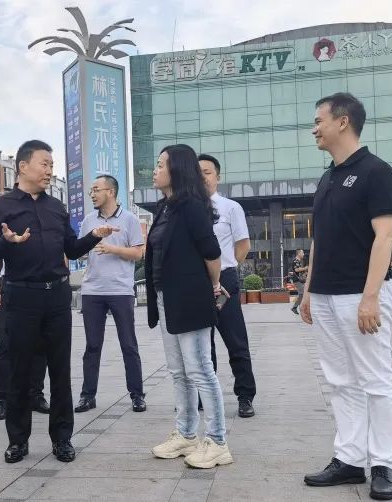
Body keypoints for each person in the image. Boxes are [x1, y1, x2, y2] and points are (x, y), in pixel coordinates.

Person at [0, 140, 116, 464]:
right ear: (23, 166)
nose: (49, 170)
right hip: (21, 296)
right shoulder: (1, 207)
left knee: (59, 368)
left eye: (51, 165)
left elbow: (71, 249)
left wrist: (94, 237)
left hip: (56, 296)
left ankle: (62, 438)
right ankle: (18, 441)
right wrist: (7, 241)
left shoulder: (56, 207)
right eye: (44, 164)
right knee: (20, 370)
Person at [300, 92, 392, 500]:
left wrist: (370, 297)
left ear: (342, 121)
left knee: (376, 380)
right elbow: (319, 240)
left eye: (318, 121)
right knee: (340, 381)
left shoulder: (377, 172)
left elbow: (385, 236)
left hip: (361, 293)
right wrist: (308, 291)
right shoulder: (327, 178)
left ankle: (385, 464)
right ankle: (349, 459)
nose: (314, 129)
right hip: (325, 295)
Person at [147, 144, 233, 470]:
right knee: (178, 371)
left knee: (199, 369)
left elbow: (212, 253)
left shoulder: (192, 207)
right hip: (166, 296)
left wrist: (213, 286)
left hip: (190, 296)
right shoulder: (165, 208)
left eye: (160, 165)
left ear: (177, 170)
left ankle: (218, 441)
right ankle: (186, 434)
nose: (155, 170)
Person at [75, 174, 146, 414]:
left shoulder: (130, 220)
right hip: (92, 290)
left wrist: (112, 248)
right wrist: (87, 246)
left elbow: (138, 253)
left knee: (129, 345)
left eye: (97, 190)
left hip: (120, 290)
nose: (92, 194)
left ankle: (137, 395)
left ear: (111, 192)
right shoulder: (88, 221)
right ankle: (87, 396)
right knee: (92, 346)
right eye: (91, 191)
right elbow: (81, 249)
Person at [199, 154, 257, 418]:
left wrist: (228, 268)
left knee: (235, 340)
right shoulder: (189, 209)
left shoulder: (230, 207)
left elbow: (243, 244)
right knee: (202, 342)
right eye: (197, 172)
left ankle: (245, 396)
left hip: (224, 282)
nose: (202, 177)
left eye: (207, 172)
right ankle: (205, 396)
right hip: (197, 283)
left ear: (218, 177)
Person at [0, 260, 50, 421]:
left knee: (40, 343)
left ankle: (35, 395)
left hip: (42, 287)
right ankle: (2, 399)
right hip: (12, 286)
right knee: (5, 343)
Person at [290, 249, 309, 315]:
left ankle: (295, 308)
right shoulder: (295, 261)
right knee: (302, 293)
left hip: (300, 280)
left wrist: (305, 273)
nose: (303, 254)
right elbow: (296, 270)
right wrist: (305, 268)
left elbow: (300, 271)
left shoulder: (299, 261)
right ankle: (297, 308)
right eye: (302, 252)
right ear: (299, 253)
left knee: (302, 294)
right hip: (297, 280)